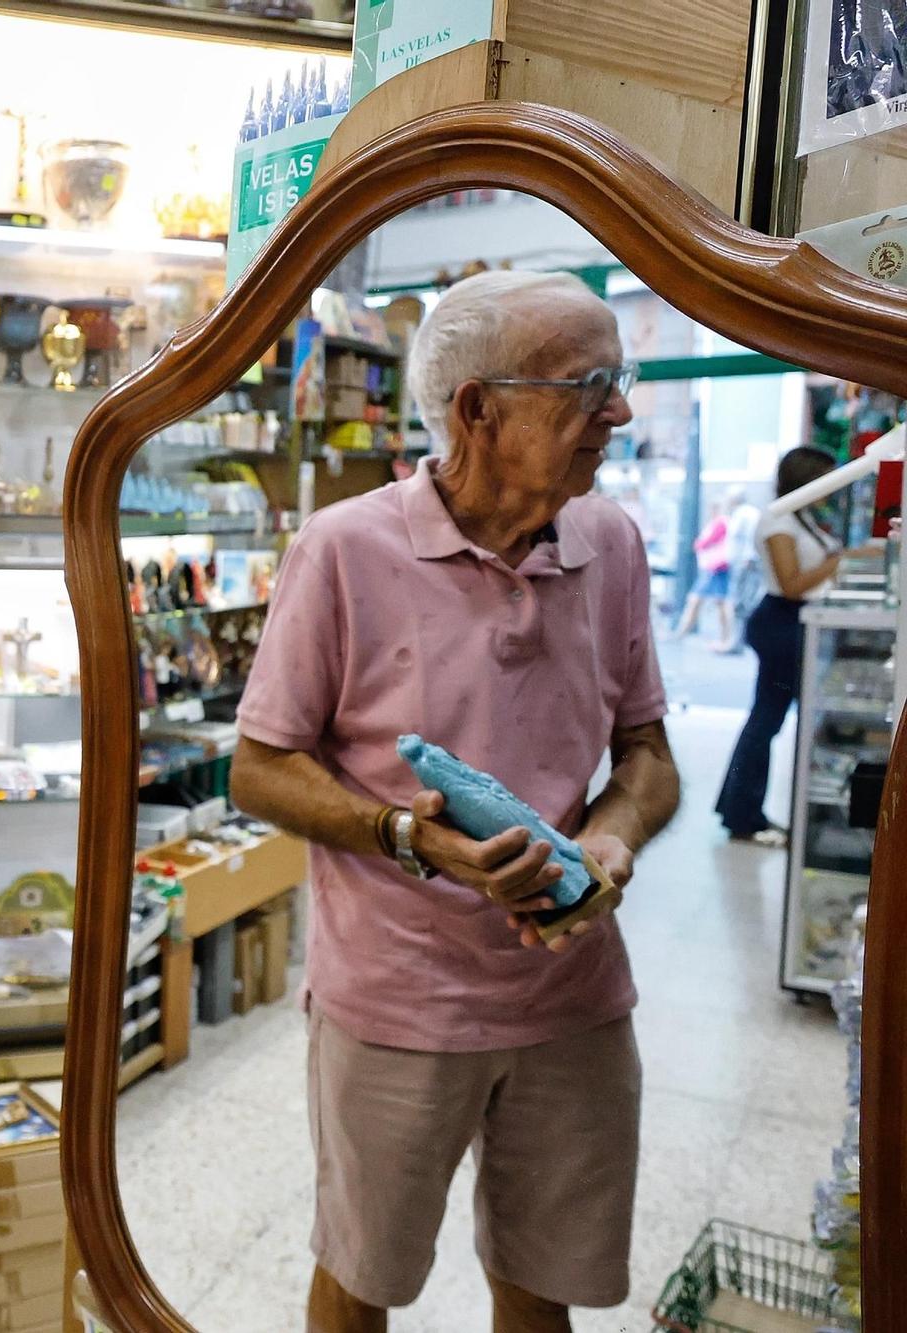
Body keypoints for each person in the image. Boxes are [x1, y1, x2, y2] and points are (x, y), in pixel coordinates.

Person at [228, 270, 680, 1333]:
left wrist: (606, 845)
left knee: (542, 1281)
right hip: (396, 1000)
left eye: (620, 381)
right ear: (477, 408)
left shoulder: (606, 541)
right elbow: (257, 765)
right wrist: (408, 835)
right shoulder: (342, 549)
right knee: (361, 1276)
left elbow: (645, 754)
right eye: (587, 385)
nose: (616, 412)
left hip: (571, 995)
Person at [714, 447, 883, 846]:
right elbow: (792, 584)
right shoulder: (779, 521)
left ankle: (742, 812)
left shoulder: (799, 519)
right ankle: (744, 814)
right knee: (765, 722)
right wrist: (841, 559)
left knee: (765, 721)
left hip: (791, 623)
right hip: (782, 624)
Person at [668, 494, 733, 642]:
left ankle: (724, 638)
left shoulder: (721, 523)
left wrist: (698, 544)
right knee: (712, 602)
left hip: (715, 568)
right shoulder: (717, 522)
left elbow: (704, 543)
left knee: (704, 600)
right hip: (712, 568)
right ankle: (683, 631)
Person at [718, 484, 763, 652]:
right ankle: (736, 641)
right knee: (739, 603)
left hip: (746, 564)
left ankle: (737, 642)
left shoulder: (747, 514)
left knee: (742, 604)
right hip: (740, 564)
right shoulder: (740, 514)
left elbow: (753, 537)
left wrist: (749, 558)